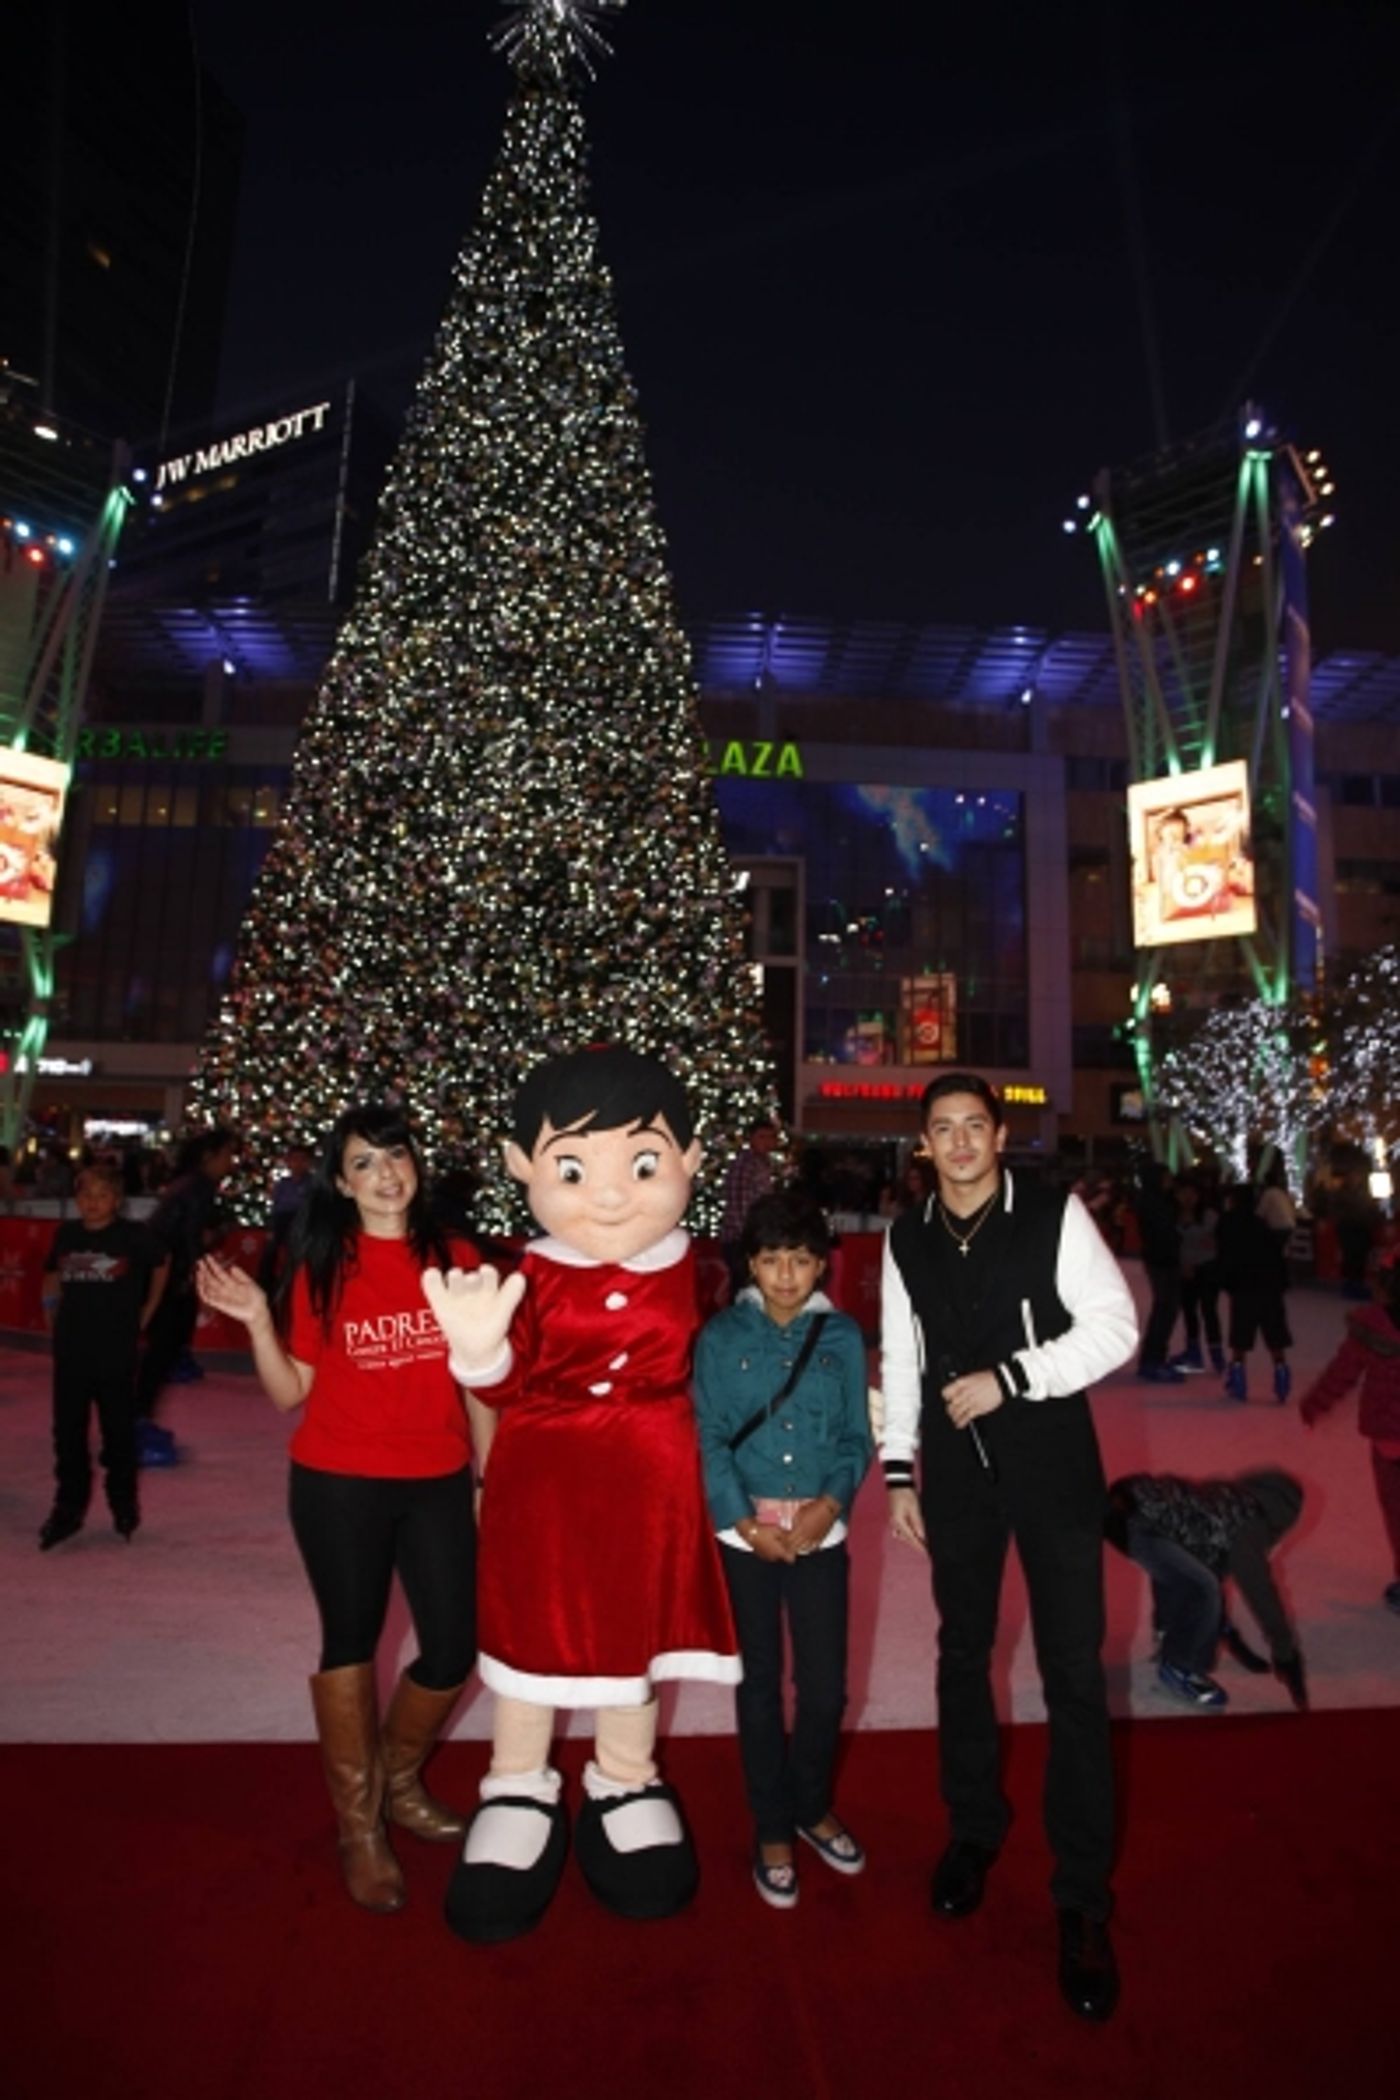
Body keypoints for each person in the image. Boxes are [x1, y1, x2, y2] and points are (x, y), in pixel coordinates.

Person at [421, 1046, 741, 1944]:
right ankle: (518, 1784)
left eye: (643, 1163)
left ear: (690, 1158)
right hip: (544, 1488)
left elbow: (732, 1365)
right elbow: (498, 1382)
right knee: (534, 1631)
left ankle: (623, 1775)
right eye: (573, 1167)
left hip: (655, 1491)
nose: (609, 1195)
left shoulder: (701, 1269)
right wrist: (480, 1352)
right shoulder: (526, 1271)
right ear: (524, 1165)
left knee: (631, 1630)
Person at [880, 1071, 1137, 2022]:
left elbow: (1116, 1327)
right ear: (925, 1143)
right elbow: (901, 1353)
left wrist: (1016, 1376)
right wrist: (898, 1469)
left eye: (972, 1127)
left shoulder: (1054, 1214)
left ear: (997, 1135)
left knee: (1073, 1673)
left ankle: (1081, 1899)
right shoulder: (907, 1236)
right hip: (957, 1471)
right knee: (960, 1652)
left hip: (1052, 1462)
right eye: (940, 1130)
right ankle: (973, 1830)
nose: (957, 1144)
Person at [196, 1104, 480, 1915]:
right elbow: (292, 1393)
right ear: (341, 1181)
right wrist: (256, 1322)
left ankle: (395, 1780)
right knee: (350, 1642)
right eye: (364, 1162)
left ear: (416, 1164)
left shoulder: (456, 1256)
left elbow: (478, 1376)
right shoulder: (323, 1259)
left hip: (437, 1478)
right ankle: (361, 1827)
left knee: (454, 1648)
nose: (385, 1174)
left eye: (396, 1155)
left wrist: (491, 1474)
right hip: (338, 1482)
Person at [693, 1190, 873, 1910]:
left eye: (801, 1260)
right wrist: (744, 1523)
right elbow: (706, 1437)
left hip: (821, 1533)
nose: (788, 1276)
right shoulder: (719, 1338)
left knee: (826, 1689)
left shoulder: (842, 1339)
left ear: (819, 1265)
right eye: (773, 1260)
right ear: (751, 1264)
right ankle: (773, 1823)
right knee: (760, 1686)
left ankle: (810, 1804)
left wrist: (829, 1504)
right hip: (745, 1541)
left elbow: (857, 1437)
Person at [37, 1162, 168, 1550]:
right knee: (68, 1434)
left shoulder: (132, 1236)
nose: (92, 1203)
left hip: (115, 1352)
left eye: (101, 1195)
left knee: (118, 1433)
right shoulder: (67, 1233)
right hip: (72, 1352)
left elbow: (163, 1263)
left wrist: (148, 1309)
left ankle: (123, 1503)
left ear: (116, 1200)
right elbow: (50, 1273)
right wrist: (49, 1307)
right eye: (85, 1195)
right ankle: (68, 1507)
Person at [1105, 1469, 1307, 1710]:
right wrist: (1285, 1652)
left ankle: (1166, 1633)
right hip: (1138, 1522)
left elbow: (1190, 1545)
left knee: (1180, 1570)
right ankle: (1181, 1667)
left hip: (1128, 1501)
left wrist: (1228, 1635)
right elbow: (1260, 1591)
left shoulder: (1226, 1498)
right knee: (1203, 1588)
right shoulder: (1249, 1526)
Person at [1300, 1253, 1400, 1615]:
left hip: (1389, 1436)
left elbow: (1342, 1372)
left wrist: (1315, 1404)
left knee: (1396, 1509)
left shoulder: (1370, 1327)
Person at [134, 1127, 239, 1458]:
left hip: (164, 1273)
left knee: (163, 1349)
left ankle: (137, 1417)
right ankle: (135, 1420)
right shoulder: (198, 1188)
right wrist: (191, 1277)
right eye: (227, 1155)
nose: (230, 1162)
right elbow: (188, 1238)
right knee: (161, 1350)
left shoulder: (191, 1185)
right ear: (209, 1156)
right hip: (166, 1276)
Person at [1217, 1182, 1292, 1403]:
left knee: (1240, 1336)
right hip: (1269, 1288)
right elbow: (1277, 1259)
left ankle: (1238, 1379)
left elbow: (1225, 1257)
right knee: (1274, 1335)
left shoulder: (1228, 1224)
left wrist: (1226, 1283)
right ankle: (1281, 1376)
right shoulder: (1262, 1226)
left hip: (1244, 1288)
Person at [1134, 1160, 1184, 1383]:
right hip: (1163, 1259)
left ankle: (1153, 1358)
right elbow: (1165, 1232)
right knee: (1165, 1308)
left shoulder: (1155, 1201)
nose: (1170, 1182)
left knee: (1165, 1308)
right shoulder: (1156, 1203)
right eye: (1166, 1178)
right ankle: (1153, 1360)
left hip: (1161, 1258)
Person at [718, 1117, 779, 1299]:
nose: (766, 1142)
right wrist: (749, 1238)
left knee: (752, 1290)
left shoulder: (763, 1163)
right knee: (744, 1289)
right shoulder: (745, 1164)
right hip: (741, 1240)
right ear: (750, 1138)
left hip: (755, 1238)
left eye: (770, 1137)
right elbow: (739, 1205)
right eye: (761, 1137)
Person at [1172, 1176, 1224, 1373]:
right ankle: (1193, 1352)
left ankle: (1216, 1354)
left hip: (1207, 1268)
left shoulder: (1209, 1216)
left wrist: (1195, 1260)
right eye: (1183, 1193)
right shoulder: (1173, 1216)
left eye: (1191, 1193)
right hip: (1185, 1271)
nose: (1187, 1198)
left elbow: (1211, 1243)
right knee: (1189, 1312)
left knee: (1209, 1310)